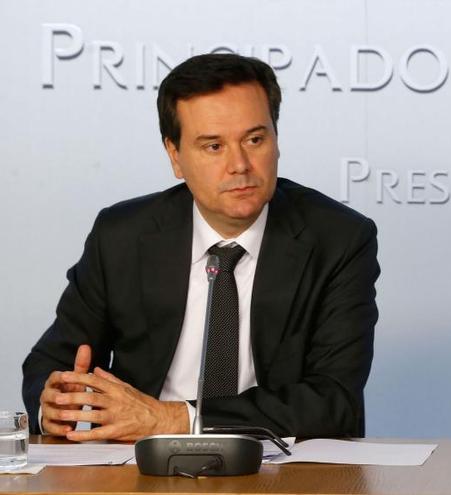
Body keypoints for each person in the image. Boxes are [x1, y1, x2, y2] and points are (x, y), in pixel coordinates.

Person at [22, 53, 379, 442]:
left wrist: (173, 419)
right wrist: (54, 405)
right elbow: (55, 359)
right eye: (213, 147)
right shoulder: (122, 236)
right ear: (175, 156)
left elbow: (334, 402)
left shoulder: (338, 238)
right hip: (138, 468)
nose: (239, 164)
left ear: (277, 141)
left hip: (278, 467)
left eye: (255, 139)